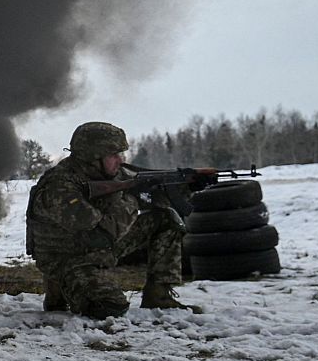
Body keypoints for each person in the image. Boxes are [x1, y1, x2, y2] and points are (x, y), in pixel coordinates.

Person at [26, 121, 201, 317]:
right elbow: (99, 234)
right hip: (66, 259)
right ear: (94, 156)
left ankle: (159, 295)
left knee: (166, 218)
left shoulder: (109, 173)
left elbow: (150, 193)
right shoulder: (59, 186)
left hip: (91, 249)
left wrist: (183, 187)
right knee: (109, 307)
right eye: (114, 155)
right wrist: (132, 199)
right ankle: (59, 285)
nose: (120, 160)